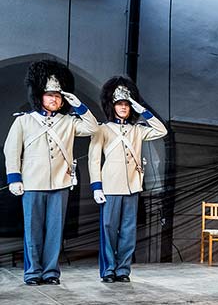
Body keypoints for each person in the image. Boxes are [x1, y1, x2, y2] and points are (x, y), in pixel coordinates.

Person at [4, 60, 98, 285]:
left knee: (55, 233)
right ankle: (33, 273)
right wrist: (14, 177)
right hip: (33, 183)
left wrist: (80, 106)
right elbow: (11, 150)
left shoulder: (68, 121)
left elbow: (93, 128)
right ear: (39, 96)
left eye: (58, 95)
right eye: (49, 95)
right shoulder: (24, 121)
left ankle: (50, 273)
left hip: (60, 182)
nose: (54, 99)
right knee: (33, 231)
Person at [88, 76, 167, 283]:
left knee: (128, 232)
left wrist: (141, 109)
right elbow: (94, 160)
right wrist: (97, 186)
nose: (123, 107)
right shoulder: (102, 129)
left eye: (126, 104)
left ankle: (123, 270)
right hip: (110, 186)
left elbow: (161, 130)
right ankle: (108, 270)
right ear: (111, 105)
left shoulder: (137, 129)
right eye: (119, 103)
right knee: (108, 230)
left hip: (132, 186)